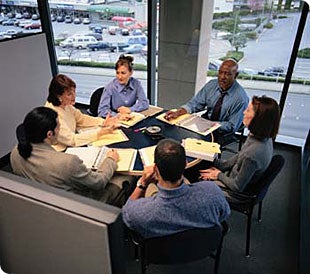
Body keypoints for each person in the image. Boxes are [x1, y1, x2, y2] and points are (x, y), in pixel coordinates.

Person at [10, 107, 133, 206]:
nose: (60, 130)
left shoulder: (15, 152)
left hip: (44, 205)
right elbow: (99, 182)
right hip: (82, 206)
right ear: (49, 134)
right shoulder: (67, 162)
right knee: (124, 178)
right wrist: (111, 160)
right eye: (58, 126)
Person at [122, 138, 230, 238]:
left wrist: (142, 183)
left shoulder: (143, 212)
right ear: (186, 164)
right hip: (203, 247)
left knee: (150, 188)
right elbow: (224, 214)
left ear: (155, 168)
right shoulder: (212, 191)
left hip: (163, 254)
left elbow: (126, 215)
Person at [199, 95, 281, 192]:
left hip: (233, 191)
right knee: (203, 163)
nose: (244, 112)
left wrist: (218, 175)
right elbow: (238, 158)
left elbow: (237, 186)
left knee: (195, 179)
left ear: (258, 119)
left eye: (248, 111)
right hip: (231, 175)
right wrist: (212, 160)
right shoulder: (262, 137)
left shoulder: (253, 153)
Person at [165, 59, 249, 136]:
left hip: (222, 132)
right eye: (220, 72)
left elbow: (232, 126)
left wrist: (211, 125)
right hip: (205, 123)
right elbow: (195, 103)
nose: (222, 77)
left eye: (227, 74)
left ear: (236, 75)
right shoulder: (212, 84)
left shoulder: (241, 99)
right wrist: (178, 112)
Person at [45, 74, 119, 151]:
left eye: (74, 91)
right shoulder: (52, 114)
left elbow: (81, 119)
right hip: (61, 151)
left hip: (71, 145)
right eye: (69, 94)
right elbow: (72, 140)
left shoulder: (66, 104)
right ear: (58, 96)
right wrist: (100, 133)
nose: (74, 96)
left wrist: (103, 122)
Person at [97, 54, 149, 119]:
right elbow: (102, 110)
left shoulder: (136, 84)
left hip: (129, 117)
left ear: (131, 73)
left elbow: (144, 103)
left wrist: (130, 109)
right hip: (114, 119)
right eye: (117, 73)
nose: (119, 77)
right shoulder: (110, 87)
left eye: (123, 73)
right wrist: (118, 116)